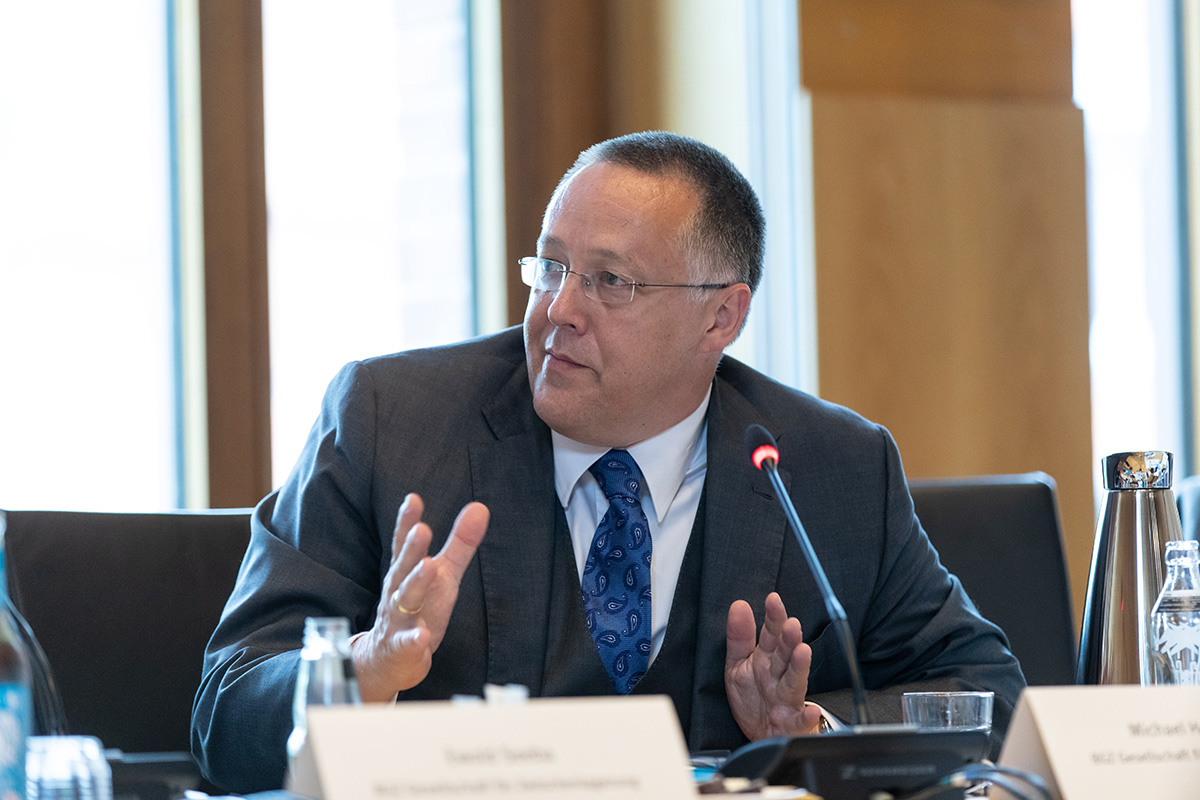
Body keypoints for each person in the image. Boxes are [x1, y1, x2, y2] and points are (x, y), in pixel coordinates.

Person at [191, 131, 1024, 793]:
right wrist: (363, 672)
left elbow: (985, 696)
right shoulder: (389, 422)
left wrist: (811, 734)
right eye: (550, 267)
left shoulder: (831, 466)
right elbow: (225, 709)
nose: (558, 310)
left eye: (610, 282)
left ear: (721, 317)